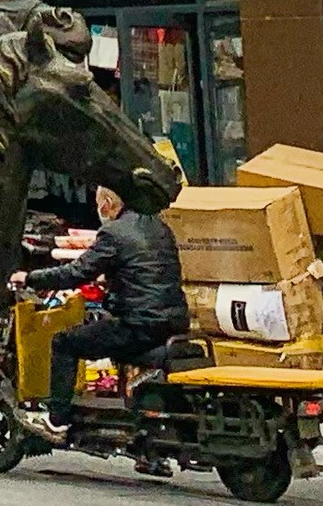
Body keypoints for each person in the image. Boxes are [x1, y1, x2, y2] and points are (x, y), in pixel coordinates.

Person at [10, 179, 189, 440]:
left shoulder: (114, 233)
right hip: (173, 321)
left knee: (65, 342)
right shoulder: (159, 227)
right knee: (104, 332)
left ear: (106, 204)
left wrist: (29, 278)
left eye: (98, 205)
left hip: (138, 325)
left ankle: (56, 420)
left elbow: (75, 273)